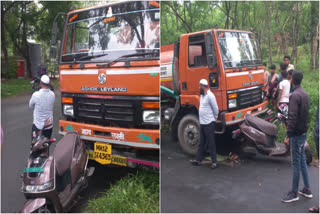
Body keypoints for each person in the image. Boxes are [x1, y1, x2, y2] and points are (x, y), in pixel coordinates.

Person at [282, 70, 312, 203]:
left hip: (295, 134)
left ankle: (294, 193)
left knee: (296, 163)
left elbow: (292, 117)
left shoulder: (294, 95)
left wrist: (288, 135)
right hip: (303, 132)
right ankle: (307, 189)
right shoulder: (305, 94)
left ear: (292, 80)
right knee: (302, 160)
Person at [190, 79, 219, 169]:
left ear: (204, 86)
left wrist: (213, 119)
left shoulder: (210, 96)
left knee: (211, 143)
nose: (199, 88)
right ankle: (198, 159)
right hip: (202, 122)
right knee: (201, 142)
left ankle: (214, 162)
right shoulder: (202, 95)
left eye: (200, 86)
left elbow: (216, 109)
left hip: (209, 123)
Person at [29, 75, 55, 141]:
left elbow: (30, 106)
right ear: (49, 84)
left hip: (38, 126)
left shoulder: (36, 95)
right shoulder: (52, 94)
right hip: (49, 126)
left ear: (40, 83)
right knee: (46, 144)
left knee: (35, 145)